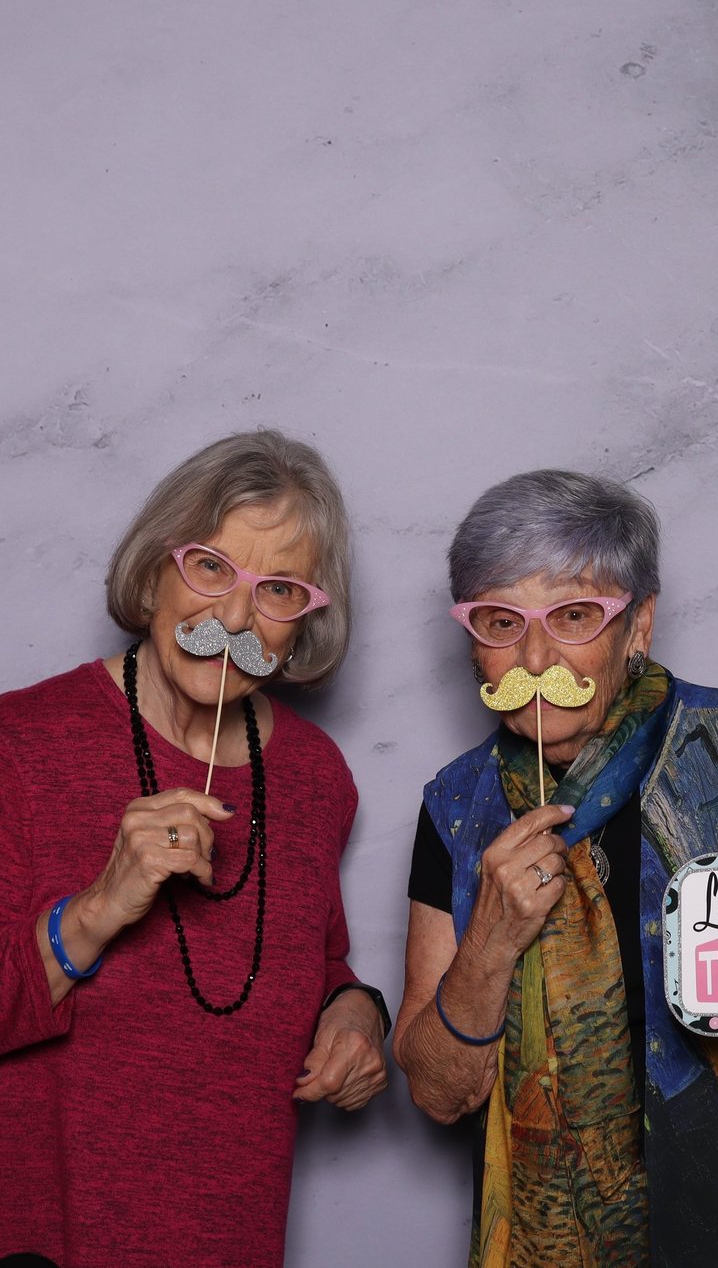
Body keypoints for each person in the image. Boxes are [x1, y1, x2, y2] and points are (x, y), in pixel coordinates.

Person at [394, 469, 718, 1268]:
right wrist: (491, 942)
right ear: (472, 639)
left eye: (574, 616)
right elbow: (437, 1091)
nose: (535, 655)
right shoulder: (456, 809)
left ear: (638, 624)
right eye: (501, 620)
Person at [0, 430, 389, 1268]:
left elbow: (313, 962)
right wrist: (97, 911)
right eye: (211, 567)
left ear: (307, 619)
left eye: (278, 589)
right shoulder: (20, 744)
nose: (236, 617)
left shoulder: (318, 776)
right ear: (153, 571)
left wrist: (355, 1011)